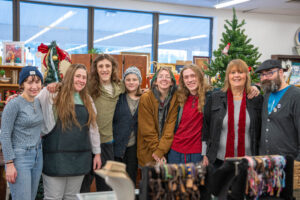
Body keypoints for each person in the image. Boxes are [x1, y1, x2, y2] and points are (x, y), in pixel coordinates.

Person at [39, 63, 101, 200]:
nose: (81, 80)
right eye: (78, 76)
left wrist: (97, 153)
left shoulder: (88, 100)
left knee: (72, 197)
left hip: (79, 159)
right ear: (70, 76)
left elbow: (93, 129)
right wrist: (16, 99)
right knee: (53, 197)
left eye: (84, 77)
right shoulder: (52, 93)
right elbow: (32, 103)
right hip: (55, 157)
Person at [204, 59, 263, 168]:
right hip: (218, 159)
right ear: (228, 76)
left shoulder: (256, 99)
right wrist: (204, 154)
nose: (237, 75)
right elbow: (206, 127)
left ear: (246, 75)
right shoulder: (215, 98)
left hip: (248, 161)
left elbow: (261, 129)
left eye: (240, 72)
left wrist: (256, 87)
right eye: (233, 72)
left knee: (244, 186)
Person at [81, 54, 124, 192]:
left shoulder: (120, 87)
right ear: (96, 69)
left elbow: (136, 91)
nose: (104, 69)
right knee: (84, 185)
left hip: (107, 143)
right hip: (88, 142)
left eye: (107, 66)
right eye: (100, 66)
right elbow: (69, 88)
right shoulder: (88, 86)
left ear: (113, 69)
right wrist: (54, 85)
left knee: (105, 187)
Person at [0, 66, 44, 200]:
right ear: (22, 84)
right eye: (29, 82)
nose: (34, 86)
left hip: (38, 156)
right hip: (20, 158)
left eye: (37, 82)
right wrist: (9, 163)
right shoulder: (14, 104)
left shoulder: (39, 101)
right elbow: (5, 134)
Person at [255, 59, 300, 161]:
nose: (265, 78)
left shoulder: (296, 96)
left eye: (270, 73)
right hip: (266, 163)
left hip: (289, 164)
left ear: (280, 72)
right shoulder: (266, 95)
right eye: (262, 75)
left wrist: (297, 164)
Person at [168, 64, 210, 165]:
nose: (190, 80)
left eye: (193, 76)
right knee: (175, 181)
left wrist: (254, 87)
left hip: (197, 153)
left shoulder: (210, 97)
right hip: (175, 152)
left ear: (200, 77)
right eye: (186, 77)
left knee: (197, 181)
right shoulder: (179, 97)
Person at [137, 67, 178, 167]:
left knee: (165, 181)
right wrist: (157, 152)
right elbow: (147, 130)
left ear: (172, 82)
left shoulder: (175, 99)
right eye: (161, 76)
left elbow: (170, 128)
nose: (164, 79)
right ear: (155, 81)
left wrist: (161, 151)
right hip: (148, 149)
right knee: (147, 181)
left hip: (167, 150)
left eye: (167, 77)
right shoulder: (146, 98)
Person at [113, 66, 142, 185]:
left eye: (134, 79)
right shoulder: (118, 98)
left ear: (139, 81)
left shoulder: (144, 99)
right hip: (117, 146)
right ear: (124, 81)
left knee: (130, 180)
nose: (131, 82)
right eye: (128, 79)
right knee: (116, 181)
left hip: (134, 148)